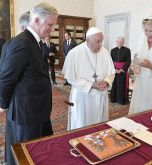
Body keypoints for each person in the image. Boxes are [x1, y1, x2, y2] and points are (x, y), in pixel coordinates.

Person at [0, 3, 58, 165]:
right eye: (50, 25)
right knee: (25, 154)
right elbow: (6, 78)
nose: (52, 30)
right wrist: (3, 104)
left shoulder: (35, 41)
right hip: (26, 113)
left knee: (38, 151)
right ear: (37, 20)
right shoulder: (22, 43)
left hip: (37, 109)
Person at [62, 27, 115, 130]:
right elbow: (71, 78)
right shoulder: (74, 53)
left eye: (101, 41)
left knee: (100, 124)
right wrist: (91, 85)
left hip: (100, 94)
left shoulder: (104, 52)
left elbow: (111, 73)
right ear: (87, 40)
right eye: (97, 42)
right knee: (82, 125)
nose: (100, 45)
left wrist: (107, 82)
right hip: (83, 96)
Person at [110, 36, 131, 105]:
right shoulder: (113, 50)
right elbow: (111, 61)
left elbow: (128, 61)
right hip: (115, 70)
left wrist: (122, 69)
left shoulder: (127, 50)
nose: (119, 43)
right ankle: (114, 99)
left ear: (123, 42)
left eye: (120, 41)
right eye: (117, 41)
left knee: (121, 86)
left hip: (122, 71)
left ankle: (121, 100)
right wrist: (114, 69)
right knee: (114, 84)